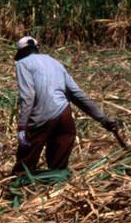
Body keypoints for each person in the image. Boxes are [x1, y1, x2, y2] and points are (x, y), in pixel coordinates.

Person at [13, 35, 119, 173]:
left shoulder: (22, 64)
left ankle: (19, 188)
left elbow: (28, 96)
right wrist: (103, 118)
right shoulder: (55, 62)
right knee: (58, 166)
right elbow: (76, 93)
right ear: (36, 49)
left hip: (42, 116)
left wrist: (22, 126)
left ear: (21, 53)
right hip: (64, 115)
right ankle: (56, 187)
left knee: (25, 161)